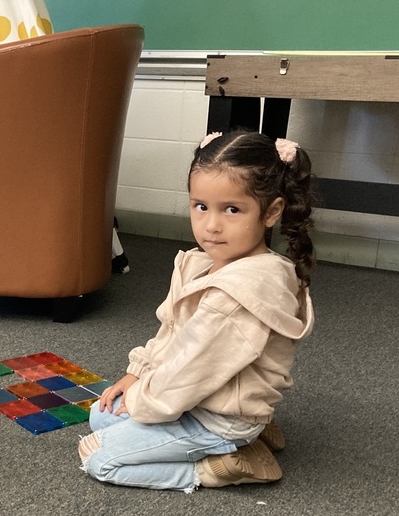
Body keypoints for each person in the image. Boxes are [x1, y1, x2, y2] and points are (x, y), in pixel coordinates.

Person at [77, 130, 316, 492]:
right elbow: (172, 333)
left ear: (272, 212)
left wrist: (143, 401)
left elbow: (189, 372)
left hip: (216, 416)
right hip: (203, 395)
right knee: (101, 414)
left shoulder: (237, 294)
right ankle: (252, 430)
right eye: (200, 206)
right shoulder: (204, 263)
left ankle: (223, 463)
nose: (211, 225)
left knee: (97, 456)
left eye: (232, 210)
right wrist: (137, 375)